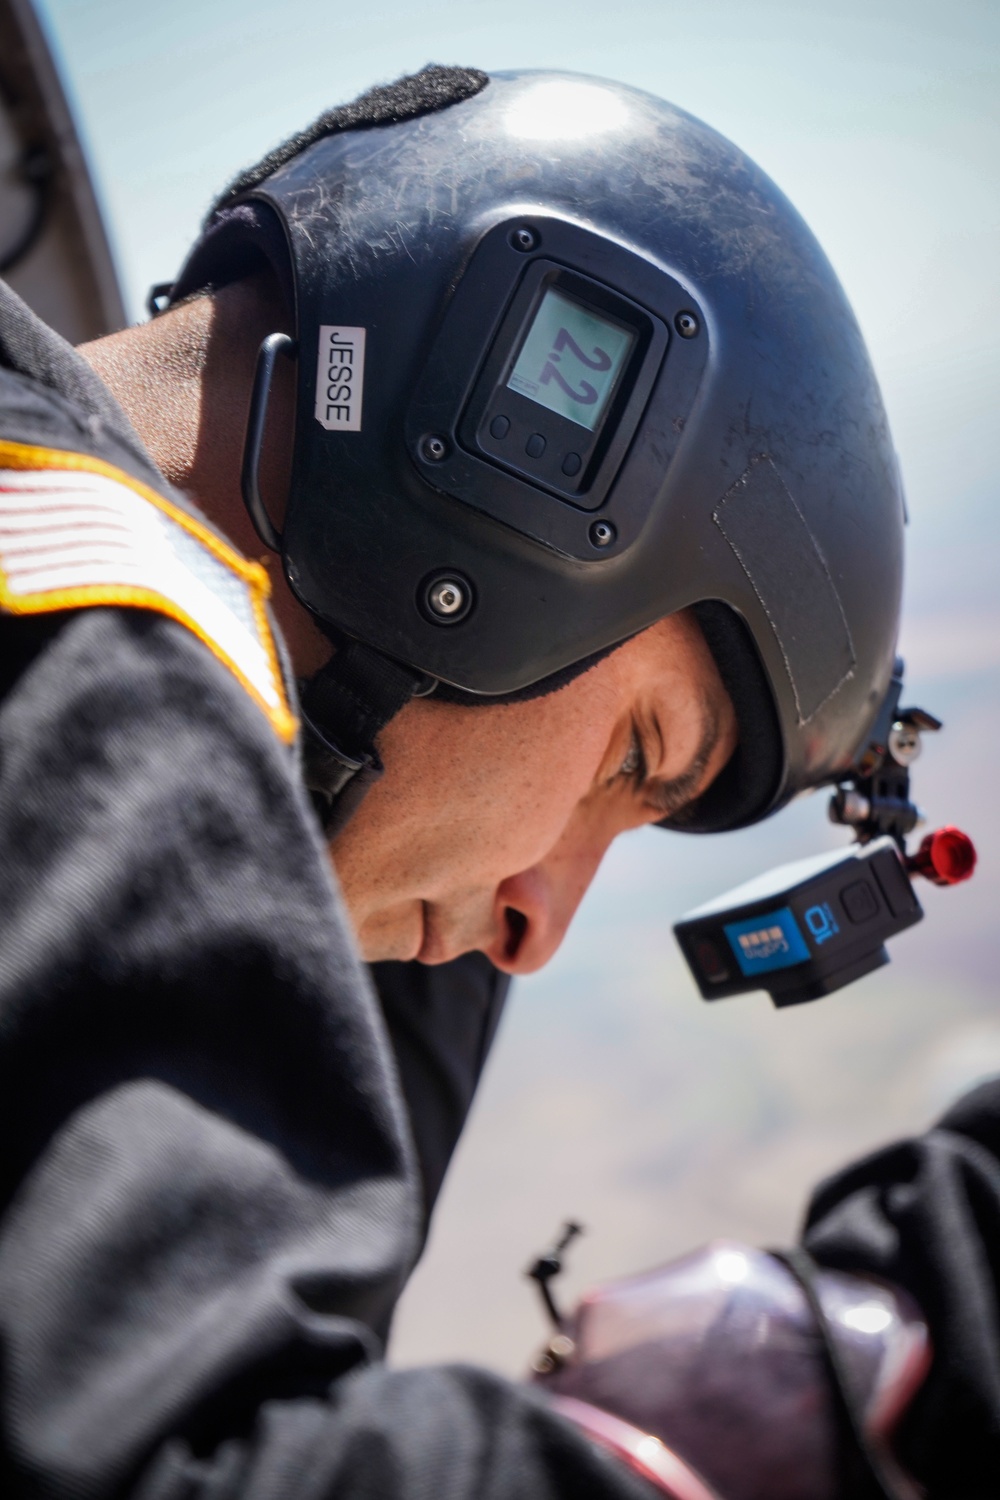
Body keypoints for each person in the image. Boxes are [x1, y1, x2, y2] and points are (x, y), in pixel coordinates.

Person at [2, 63, 981, 1500]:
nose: (539, 929)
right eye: (643, 759)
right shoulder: (96, 664)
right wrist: (897, 1339)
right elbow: (180, 1467)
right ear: (485, 506)